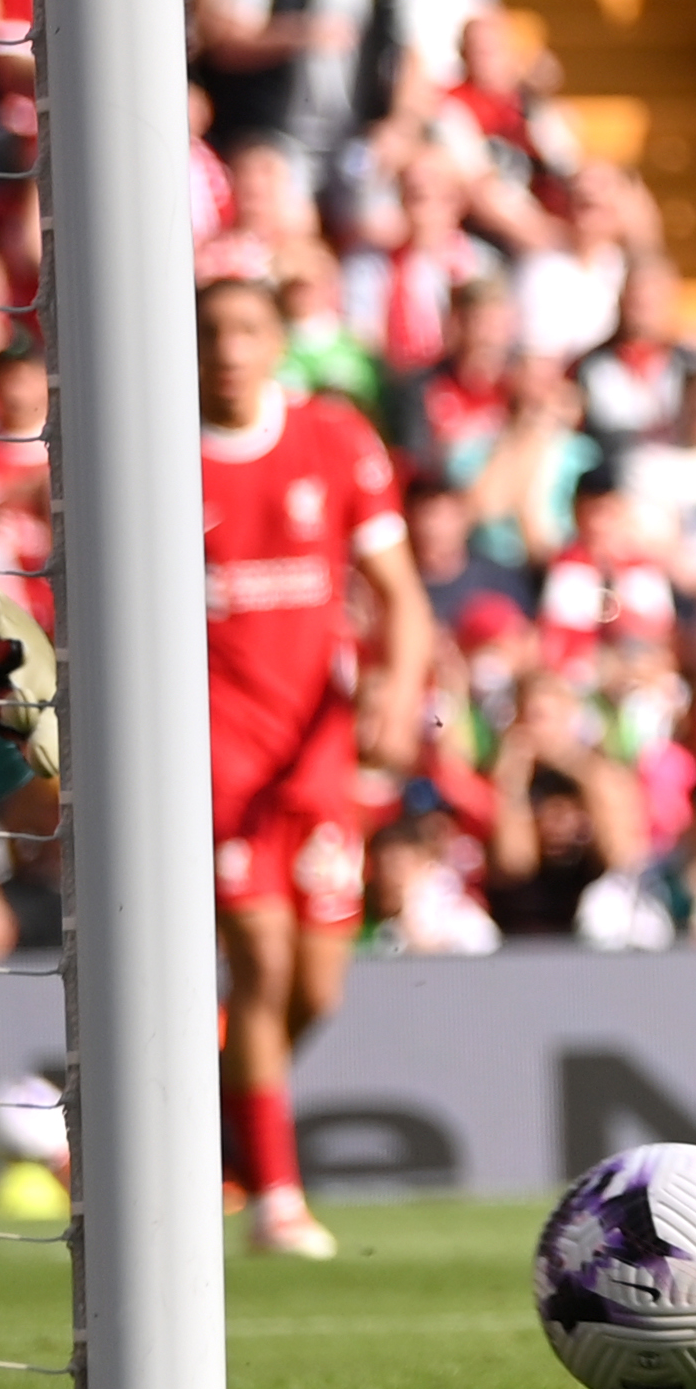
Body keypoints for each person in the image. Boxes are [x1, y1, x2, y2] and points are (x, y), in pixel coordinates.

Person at [199, 274, 434, 1259]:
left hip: (317, 752)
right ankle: (279, 1198)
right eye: (209, 331)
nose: (227, 347)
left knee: (320, 987)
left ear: (279, 340)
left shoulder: (332, 439)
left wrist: (396, 685)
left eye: (246, 328)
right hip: (212, 752)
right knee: (258, 963)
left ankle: (207, 1135)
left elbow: (401, 593)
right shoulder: (160, 451)